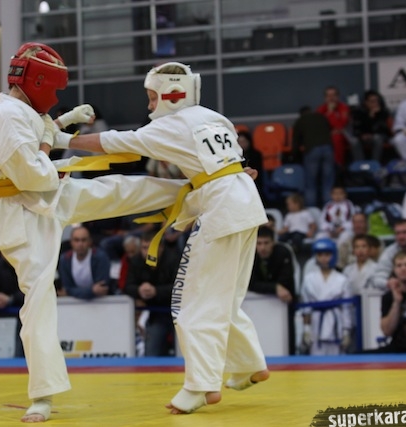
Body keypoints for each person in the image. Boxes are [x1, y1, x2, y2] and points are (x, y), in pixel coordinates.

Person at [0, 43, 188, 422]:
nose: (55, 98)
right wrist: (52, 136)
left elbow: (41, 134)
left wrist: (64, 120)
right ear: (37, 82)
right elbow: (36, 171)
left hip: (43, 197)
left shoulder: (21, 111)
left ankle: (193, 188)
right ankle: (42, 395)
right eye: (54, 89)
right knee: (39, 300)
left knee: (116, 190)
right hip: (21, 212)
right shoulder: (6, 117)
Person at [61, 61, 269, 415]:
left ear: (172, 95)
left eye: (152, 97)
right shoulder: (216, 118)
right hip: (246, 201)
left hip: (222, 208)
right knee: (225, 297)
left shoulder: (169, 126)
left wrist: (63, 139)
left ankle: (201, 385)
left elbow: (114, 142)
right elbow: (232, 162)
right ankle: (249, 364)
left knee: (191, 303)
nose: (149, 105)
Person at [124, 230, 182, 357]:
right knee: (152, 351)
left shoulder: (174, 259)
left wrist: (156, 291)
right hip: (156, 314)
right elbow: (127, 286)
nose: (147, 252)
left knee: (184, 352)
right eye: (144, 248)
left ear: (161, 247)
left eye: (151, 248)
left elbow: (181, 288)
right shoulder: (136, 260)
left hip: (179, 312)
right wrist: (139, 290)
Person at [300, 238, 352, 356]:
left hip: (335, 323)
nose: (323, 258)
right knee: (315, 361)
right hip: (316, 323)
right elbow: (306, 307)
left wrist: (346, 331)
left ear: (334, 256)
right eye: (320, 255)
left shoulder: (342, 279)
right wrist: (306, 329)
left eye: (327, 255)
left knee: (337, 361)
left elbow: (346, 308)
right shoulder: (309, 279)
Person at [249, 225, 296, 354]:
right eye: (259, 243)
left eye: (266, 243)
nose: (262, 248)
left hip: (284, 306)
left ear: (273, 243)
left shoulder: (283, 253)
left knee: (286, 341)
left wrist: (277, 287)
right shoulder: (250, 255)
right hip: (257, 308)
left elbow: (285, 281)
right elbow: (250, 283)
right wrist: (274, 287)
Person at [291, 105, 335, 207]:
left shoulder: (300, 120)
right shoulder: (321, 117)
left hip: (312, 150)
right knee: (328, 182)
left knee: (311, 183)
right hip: (328, 148)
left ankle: (312, 209)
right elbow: (330, 130)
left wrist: (294, 157)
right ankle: (329, 209)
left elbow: (296, 140)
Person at [57, 225, 112, 299]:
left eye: (84, 240)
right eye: (76, 240)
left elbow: (102, 289)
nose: (80, 244)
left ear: (90, 241)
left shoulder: (101, 258)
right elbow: (67, 288)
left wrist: (72, 292)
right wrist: (91, 291)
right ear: (71, 242)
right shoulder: (65, 259)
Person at [349, 89, 391, 163]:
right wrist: (362, 135)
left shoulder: (383, 112)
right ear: (366, 102)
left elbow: (384, 130)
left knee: (378, 138)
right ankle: (361, 165)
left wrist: (375, 117)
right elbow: (356, 129)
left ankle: (375, 164)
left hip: (376, 136)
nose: (375, 103)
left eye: (377, 101)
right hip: (362, 137)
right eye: (372, 101)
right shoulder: (359, 112)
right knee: (354, 141)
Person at [316, 86, 351, 167]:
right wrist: (329, 112)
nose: (331, 98)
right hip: (325, 135)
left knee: (336, 137)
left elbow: (340, 126)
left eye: (333, 95)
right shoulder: (320, 109)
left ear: (338, 96)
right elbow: (318, 125)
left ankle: (338, 166)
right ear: (325, 98)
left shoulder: (343, 108)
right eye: (328, 96)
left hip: (343, 135)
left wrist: (331, 112)